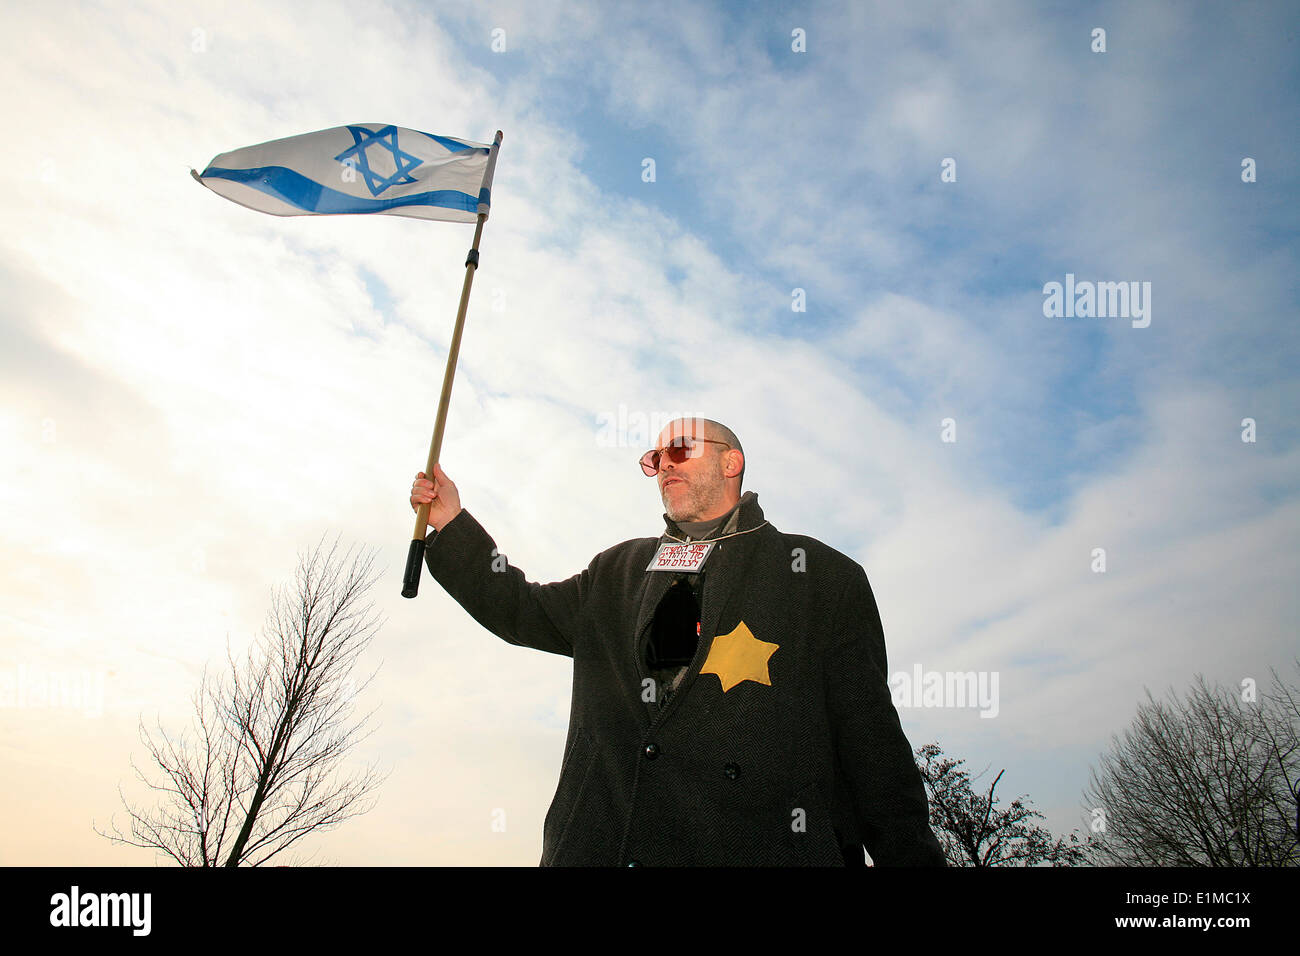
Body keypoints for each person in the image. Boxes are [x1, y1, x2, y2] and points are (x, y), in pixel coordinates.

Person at [409, 417, 945, 866]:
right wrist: (451, 523)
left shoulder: (821, 577)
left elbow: (872, 747)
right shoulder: (617, 569)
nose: (663, 464)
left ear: (731, 462)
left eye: (680, 449)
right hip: (603, 849)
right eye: (655, 457)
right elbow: (520, 608)